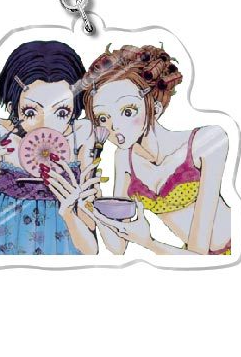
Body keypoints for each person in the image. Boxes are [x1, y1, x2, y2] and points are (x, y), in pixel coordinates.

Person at [81, 44, 231, 254]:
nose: (114, 126)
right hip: (186, 256)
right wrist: (93, 202)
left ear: (156, 108)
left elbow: (199, 256)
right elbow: (117, 247)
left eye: (127, 111)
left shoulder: (207, 142)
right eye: (103, 118)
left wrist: (148, 242)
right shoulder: (124, 158)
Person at [0, 40, 100, 255]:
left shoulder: (82, 135)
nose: (45, 125)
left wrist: (72, 210)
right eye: (30, 112)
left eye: (61, 113)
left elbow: (91, 249)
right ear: (13, 107)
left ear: (74, 110)